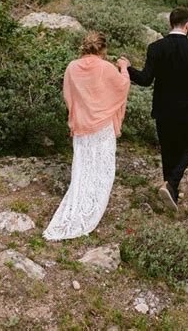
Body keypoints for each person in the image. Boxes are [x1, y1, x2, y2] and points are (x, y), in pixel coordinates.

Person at [127, 6, 188, 212]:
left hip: (163, 110)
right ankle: (171, 184)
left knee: (168, 150)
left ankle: (170, 190)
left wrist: (127, 68)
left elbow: (144, 80)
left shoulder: (156, 48)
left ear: (170, 23)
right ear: (187, 25)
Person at [43, 32, 130, 240]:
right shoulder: (106, 67)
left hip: (82, 124)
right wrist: (124, 67)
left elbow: (68, 95)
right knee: (102, 168)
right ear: (102, 49)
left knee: (83, 168)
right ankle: (92, 206)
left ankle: (82, 201)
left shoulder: (72, 67)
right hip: (102, 125)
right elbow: (122, 87)